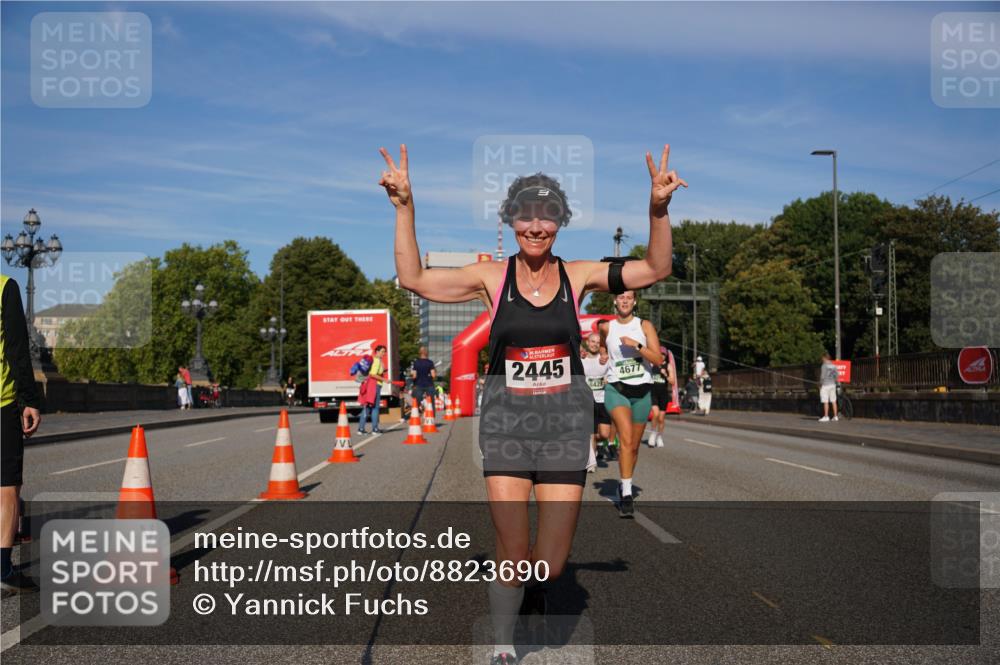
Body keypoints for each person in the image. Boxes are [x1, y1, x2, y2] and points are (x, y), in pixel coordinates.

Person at [381, 142, 683, 665]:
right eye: (526, 218)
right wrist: (405, 207)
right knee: (514, 551)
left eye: (547, 218)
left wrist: (658, 210)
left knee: (551, 563)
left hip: (565, 425)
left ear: (560, 222)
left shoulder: (580, 275)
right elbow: (413, 279)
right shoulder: (491, 278)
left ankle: (535, 590)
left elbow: (656, 267)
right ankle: (502, 647)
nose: (536, 227)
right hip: (508, 423)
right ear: (512, 221)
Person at [598, 291, 663, 517]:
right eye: (620, 297)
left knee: (633, 447)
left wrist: (637, 346)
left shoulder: (644, 325)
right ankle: (626, 493)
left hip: (642, 392)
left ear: (634, 302)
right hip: (617, 390)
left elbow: (658, 359)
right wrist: (604, 354)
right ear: (615, 301)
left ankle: (624, 482)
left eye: (628, 298)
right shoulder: (607, 327)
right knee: (625, 439)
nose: (624, 301)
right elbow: (603, 344)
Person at [1, 275, 42, 593]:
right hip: (2, 403)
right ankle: (2, 569)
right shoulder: (5, 286)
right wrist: (30, 399)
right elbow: (16, 348)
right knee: (7, 488)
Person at [581, 332, 612, 471]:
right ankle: (591, 462)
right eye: (592, 341)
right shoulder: (581, 359)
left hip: (603, 400)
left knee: (604, 434)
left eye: (598, 342)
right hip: (587, 400)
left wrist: (608, 379)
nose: (594, 344)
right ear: (587, 343)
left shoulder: (606, 359)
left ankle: (593, 447)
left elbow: (613, 372)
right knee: (591, 432)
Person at [646, 345, 676, 447]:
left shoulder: (668, 366)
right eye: (660, 354)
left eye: (664, 354)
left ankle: (659, 437)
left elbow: (672, 382)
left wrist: (666, 374)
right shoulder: (651, 364)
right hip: (653, 393)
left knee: (661, 418)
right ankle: (653, 434)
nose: (662, 356)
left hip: (663, 394)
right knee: (655, 414)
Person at [359, 344, 387, 434]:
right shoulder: (377, 361)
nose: (384, 353)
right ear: (377, 352)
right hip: (375, 385)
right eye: (382, 351)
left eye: (384, 352)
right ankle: (375, 429)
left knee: (367, 407)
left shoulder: (375, 360)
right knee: (375, 407)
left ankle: (361, 429)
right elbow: (373, 374)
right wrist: (384, 379)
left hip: (369, 385)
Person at [410, 347, 437, 416]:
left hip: (418, 384)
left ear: (420, 353)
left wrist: (411, 377)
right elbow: (433, 375)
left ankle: (415, 416)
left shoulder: (416, 363)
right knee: (431, 402)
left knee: (416, 402)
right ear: (427, 353)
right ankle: (431, 418)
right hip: (429, 384)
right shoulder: (430, 363)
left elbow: (414, 376)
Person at [819, 352, 839, 422]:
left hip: (825, 385)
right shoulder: (833, 365)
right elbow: (837, 375)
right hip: (833, 384)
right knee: (833, 401)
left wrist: (820, 385)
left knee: (825, 401)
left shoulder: (824, 366)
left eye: (822, 358)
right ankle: (835, 416)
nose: (822, 359)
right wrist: (835, 382)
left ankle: (826, 416)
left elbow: (822, 377)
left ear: (824, 358)